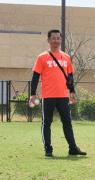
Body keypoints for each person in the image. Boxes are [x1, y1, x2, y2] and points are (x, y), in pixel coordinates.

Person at [29, 29, 86, 157]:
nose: (56, 40)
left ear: (61, 40)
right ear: (48, 40)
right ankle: (48, 149)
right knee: (46, 123)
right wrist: (32, 94)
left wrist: (72, 91)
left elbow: (70, 76)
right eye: (53, 38)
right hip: (48, 96)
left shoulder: (66, 57)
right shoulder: (42, 57)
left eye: (58, 38)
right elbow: (35, 77)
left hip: (63, 96)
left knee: (67, 122)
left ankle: (73, 148)